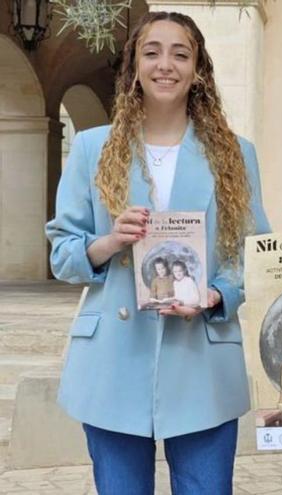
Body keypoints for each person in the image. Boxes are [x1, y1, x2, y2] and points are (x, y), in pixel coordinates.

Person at [45, 11, 270, 494]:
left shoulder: (235, 152)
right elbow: (62, 255)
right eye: (152, 52)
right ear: (134, 66)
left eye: (180, 53)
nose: (165, 64)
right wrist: (109, 241)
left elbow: (252, 254)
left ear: (198, 70)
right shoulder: (91, 148)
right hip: (112, 362)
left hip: (202, 358)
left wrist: (215, 294)